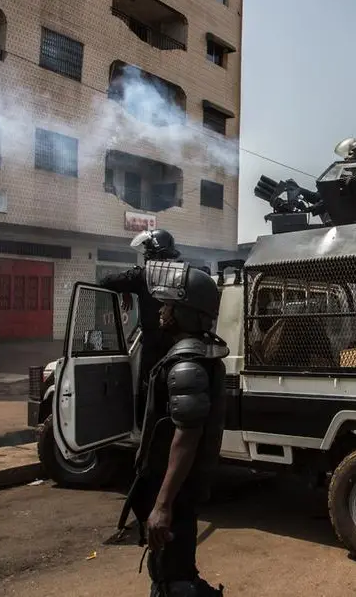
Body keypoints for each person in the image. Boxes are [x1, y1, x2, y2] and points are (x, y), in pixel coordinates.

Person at [126, 261, 228, 596]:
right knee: (171, 567)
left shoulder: (186, 366)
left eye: (170, 305)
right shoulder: (191, 356)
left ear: (187, 313)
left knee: (172, 579)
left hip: (176, 491)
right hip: (175, 487)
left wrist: (163, 504)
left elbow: (187, 437)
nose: (162, 310)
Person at [98, 229, 181, 399]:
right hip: (179, 344)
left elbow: (106, 281)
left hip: (153, 347)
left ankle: (148, 423)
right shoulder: (182, 274)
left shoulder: (142, 277)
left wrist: (125, 289)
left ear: (152, 254)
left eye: (147, 252)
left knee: (148, 389)